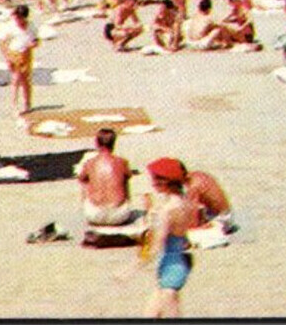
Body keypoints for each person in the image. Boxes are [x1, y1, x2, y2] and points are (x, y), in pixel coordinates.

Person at [144, 157, 197, 318]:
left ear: (165, 182)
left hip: (171, 266)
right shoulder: (184, 202)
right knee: (151, 314)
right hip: (177, 262)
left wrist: (129, 270)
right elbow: (185, 238)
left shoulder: (168, 210)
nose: (152, 183)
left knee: (168, 312)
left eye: (155, 179)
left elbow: (155, 247)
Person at [78, 127, 137, 227]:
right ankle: (121, 204)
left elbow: (81, 179)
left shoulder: (89, 163)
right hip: (119, 216)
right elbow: (128, 177)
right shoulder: (122, 162)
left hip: (94, 215)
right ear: (114, 143)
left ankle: (94, 204)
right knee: (124, 178)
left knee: (85, 180)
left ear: (96, 143)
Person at [0, 4, 38, 117]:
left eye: (20, 18)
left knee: (26, 79)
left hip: (26, 53)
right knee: (16, 79)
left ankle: (27, 103)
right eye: (16, 18)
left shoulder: (31, 26)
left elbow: (36, 40)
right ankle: (14, 104)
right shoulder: (10, 27)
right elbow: (2, 43)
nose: (18, 20)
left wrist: (33, 45)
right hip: (14, 53)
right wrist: (7, 57)